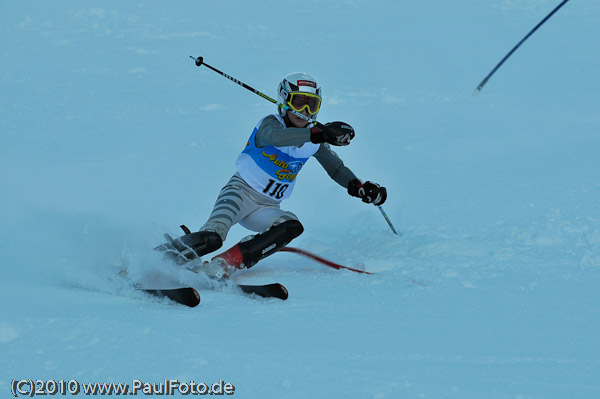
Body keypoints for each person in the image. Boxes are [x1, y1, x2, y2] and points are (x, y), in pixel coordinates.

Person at [157, 72, 387, 279]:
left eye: (312, 105)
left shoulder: (313, 141)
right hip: (239, 193)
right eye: (298, 103)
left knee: (291, 226)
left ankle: (226, 264)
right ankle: (155, 259)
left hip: (267, 207)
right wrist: (318, 133)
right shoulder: (270, 124)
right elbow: (278, 138)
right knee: (212, 238)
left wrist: (359, 187)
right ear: (284, 101)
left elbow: (336, 169)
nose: (305, 112)